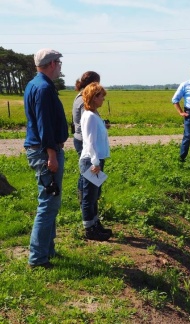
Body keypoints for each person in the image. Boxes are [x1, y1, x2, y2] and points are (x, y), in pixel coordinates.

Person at [24, 48, 68, 268]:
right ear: (52, 64)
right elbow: (44, 124)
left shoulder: (35, 84)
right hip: (45, 151)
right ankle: (38, 258)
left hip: (42, 149)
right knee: (48, 203)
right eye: (59, 62)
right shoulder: (43, 88)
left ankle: (47, 250)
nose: (60, 66)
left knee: (51, 202)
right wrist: (52, 154)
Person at [79, 82, 112, 241]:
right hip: (91, 161)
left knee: (94, 195)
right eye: (101, 96)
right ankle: (89, 229)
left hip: (96, 160)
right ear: (93, 97)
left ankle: (95, 224)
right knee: (89, 197)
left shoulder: (94, 114)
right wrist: (95, 162)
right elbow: (89, 142)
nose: (103, 99)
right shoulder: (90, 116)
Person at [72, 71, 102, 204]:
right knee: (88, 174)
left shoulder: (80, 96)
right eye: (97, 83)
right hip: (85, 141)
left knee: (86, 173)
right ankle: (86, 201)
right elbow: (88, 125)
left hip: (81, 139)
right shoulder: (84, 99)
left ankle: (86, 200)